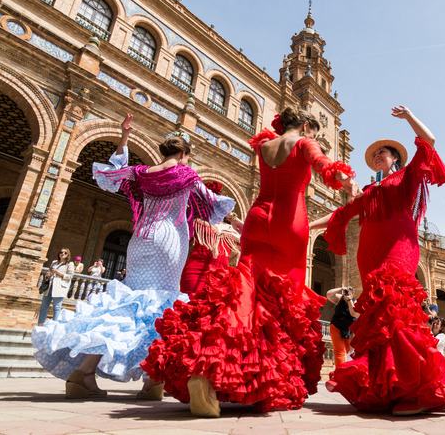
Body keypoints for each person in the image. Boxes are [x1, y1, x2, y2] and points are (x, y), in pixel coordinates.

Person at [142, 107, 359, 417]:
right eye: (314, 132)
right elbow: (324, 164)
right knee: (285, 304)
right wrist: (344, 179)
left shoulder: (265, 145)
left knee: (243, 294)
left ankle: (206, 370)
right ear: (308, 126)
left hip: (257, 218)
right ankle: (264, 379)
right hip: (289, 224)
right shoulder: (303, 143)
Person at [31, 114, 235, 400]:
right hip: (168, 240)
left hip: (139, 239)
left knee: (127, 303)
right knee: (161, 306)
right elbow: (211, 204)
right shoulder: (186, 174)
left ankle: (84, 373)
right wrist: (237, 221)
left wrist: (124, 136)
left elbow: (112, 174)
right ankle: (152, 381)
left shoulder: (142, 173)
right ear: (184, 154)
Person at [311, 105, 445, 415]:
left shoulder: (406, 177)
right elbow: (341, 215)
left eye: (383, 153)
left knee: (396, 309)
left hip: (399, 248)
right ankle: (391, 387)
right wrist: (305, 226)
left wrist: (410, 116)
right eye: (374, 155)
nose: (377, 157)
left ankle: (415, 389)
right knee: (379, 321)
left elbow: (430, 142)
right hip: (369, 255)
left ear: (395, 158)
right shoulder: (370, 190)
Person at [178, 182, 243, 296]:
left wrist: (232, 217)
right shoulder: (196, 222)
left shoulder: (230, 229)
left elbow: (249, 239)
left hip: (220, 281)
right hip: (194, 273)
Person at [36, 248, 75, 326]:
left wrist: (59, 273)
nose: (62, 254)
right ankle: (40, 325)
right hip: (50, 286)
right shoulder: (54, 262)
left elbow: (70, 276)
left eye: (65, 253)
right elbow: (50, 273)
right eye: (61, 252)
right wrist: (47, 275)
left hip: (59, 287)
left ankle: (54, 326)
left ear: (68, 255)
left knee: (56, 307)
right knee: (44, 307)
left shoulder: (69, 264)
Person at [326, 286, 359, 368]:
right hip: (336, 327)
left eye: (349, 292)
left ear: (353, 294)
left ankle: (350, 371)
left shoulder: (355, 301)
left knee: (350, 352)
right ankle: (339, 372)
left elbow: (354, 313)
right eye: (346, 292)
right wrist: (341, 288)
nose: (347, 294)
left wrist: (349, 300)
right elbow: (329, 294)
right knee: (339, 352)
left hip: (349, 330)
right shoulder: (340, 298)